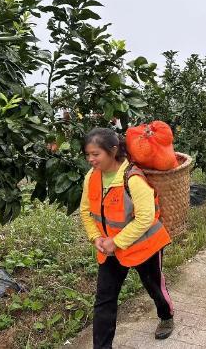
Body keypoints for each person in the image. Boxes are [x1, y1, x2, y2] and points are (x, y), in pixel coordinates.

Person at [80, 128, 174, 348]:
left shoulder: (132, 178)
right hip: (109, 249)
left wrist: (116, 241)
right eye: (88, 154)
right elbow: (85, 211)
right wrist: (96, 238)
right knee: (104, 300)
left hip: (144, 246)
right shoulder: (91, 177)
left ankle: (166, 315)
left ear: (113, 151)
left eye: (96, 154)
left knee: (153, 286)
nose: (91, 160)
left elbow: (145, 218)